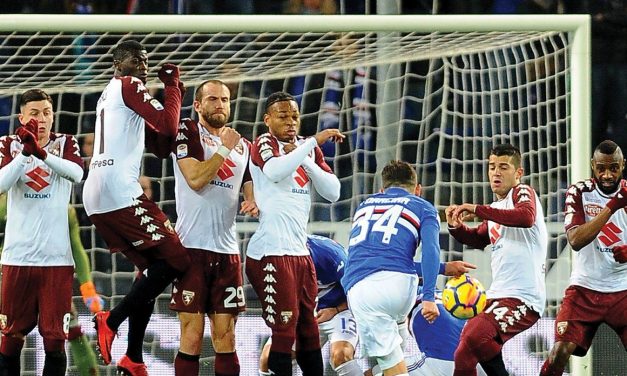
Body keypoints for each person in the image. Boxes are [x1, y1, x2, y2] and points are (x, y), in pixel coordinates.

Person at [82, 39, 190, 375]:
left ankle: (133, 358)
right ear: (118, 62)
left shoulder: (113, 94)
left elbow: (160, 144)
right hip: (118, 190)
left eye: (145, 60)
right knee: (178, 260)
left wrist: (171, 100)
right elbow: (169, 126)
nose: (143, 65)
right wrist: (173, 86)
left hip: (96, 194)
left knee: (151, 269)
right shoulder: (130, 85)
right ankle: (110, 321)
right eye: (136, 59)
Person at [245, 91, 344, 375]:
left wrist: (307, 155)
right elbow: (275, 171)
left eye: (295, 116)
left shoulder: (306, 150)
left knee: (309, 331)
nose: (291, 122)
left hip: (301, 255)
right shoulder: (264, 142)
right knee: (284, 334)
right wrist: (313, 141)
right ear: (267, 120)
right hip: (271, 253)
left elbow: (333, 192)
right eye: (283, 116)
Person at [169, 79, 258, 376]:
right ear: (197, 105)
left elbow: (248, 177)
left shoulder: (242, 145)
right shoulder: (188, 131)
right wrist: (223, 148)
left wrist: (251, 197)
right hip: (191, 249)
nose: (219, 105)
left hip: (227, 252)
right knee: (191, 337)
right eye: (212, 99)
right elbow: (195, 179)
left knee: (227, 338)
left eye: (224, 99)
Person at [0, 89, 84, 375]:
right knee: (10, 339)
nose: (42, 119)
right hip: (17, 258)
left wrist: (42, 153)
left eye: (47, 112)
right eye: (34, 113)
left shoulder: (66, 142)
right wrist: (26, 153)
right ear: (22, 117)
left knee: (55, 341)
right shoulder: (7, 144)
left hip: (56, 261)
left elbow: (77, 174)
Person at [445, 143, 547, 376]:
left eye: (503, 167)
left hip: (523, 297)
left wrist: (478, 209)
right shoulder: (496, 210)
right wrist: (455, 226)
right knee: (464, 352)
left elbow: (525, 217)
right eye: (492, 167)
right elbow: (477, 239)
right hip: (497, 295)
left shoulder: (522, 193)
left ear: (518, 173)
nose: (496, 173)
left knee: (474, 336)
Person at [342, 160, 441, 376]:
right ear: (417, 190)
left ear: (381, 190)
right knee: (392, 363)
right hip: (404, 289)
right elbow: (431, 251)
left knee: (393, 368)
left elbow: (374, 257)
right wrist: (428, 297)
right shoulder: (423, 206)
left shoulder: (365, 205)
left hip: (365, 290)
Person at [540, 140, 627, 376]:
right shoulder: (579, 192)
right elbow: (576, 240)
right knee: (558, 352)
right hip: (584, 289)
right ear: (592, 166)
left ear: (623, 166)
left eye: (613, 168)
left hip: (623, 290)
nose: (607, 174)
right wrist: (613, 206)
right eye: (601, 168)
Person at [0, 194, 103, 376]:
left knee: (66, 332)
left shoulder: (64, 209)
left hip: (52, 278)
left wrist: (87, 287)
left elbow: (76, 247)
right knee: (11, 337)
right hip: (17, 278)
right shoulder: (6, 204)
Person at [258, 235, 361, 376]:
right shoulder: (270, 262)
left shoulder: (332, 256)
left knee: (341, 355)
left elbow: (359, 290)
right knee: (268, 359)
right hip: (305, 315)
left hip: (340, 310)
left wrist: (336, 309)